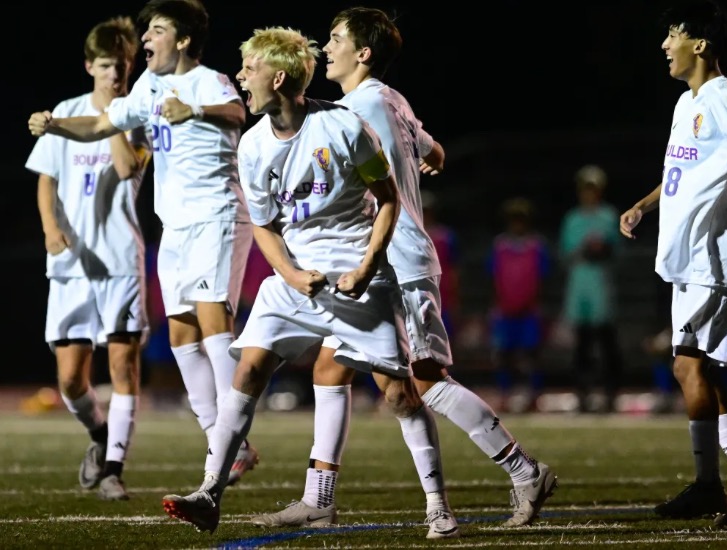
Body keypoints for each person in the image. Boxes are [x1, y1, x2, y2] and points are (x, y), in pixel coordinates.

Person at [251, 8, 557, 535]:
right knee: (339, 372)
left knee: (425, 380)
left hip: (392, 264)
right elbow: (433, 150)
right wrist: (423, 159)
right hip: (378, 265)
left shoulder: (352, 110)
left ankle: (523, 469)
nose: (326, 47)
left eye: (336, 38)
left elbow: (388, 174)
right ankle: (320, 499)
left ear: (363, 53)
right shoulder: (390, 99)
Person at [159, 25, 442, 537]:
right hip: (293, 281)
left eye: (250, 68)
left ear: (280, 76)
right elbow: (265, 227)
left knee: (400, 395)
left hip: (356, 281)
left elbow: (390, 199)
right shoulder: (251, 145)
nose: (242, 77)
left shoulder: (345, 126)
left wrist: (366, 267)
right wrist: (289, 272)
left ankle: (438, 506)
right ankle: (209, 492)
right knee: (247, 371)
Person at [27, 0, 258, 486]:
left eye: (156, 30)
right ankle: (219, 434)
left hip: (215, 214)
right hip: (174, 225)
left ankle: (232, 439)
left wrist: (193, 108)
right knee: (181, 338)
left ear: (184, 40)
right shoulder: (148, 86)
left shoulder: (207, 81)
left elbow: (238, 110)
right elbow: (99, 124)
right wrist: (55, 125)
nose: (146, 38)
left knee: (214, 321)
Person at [619, 0, 727, 527]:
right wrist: (644, 206)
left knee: (691, 364)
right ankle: (719, 480)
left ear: (701, 44)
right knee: (691, 364)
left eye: (673, 34)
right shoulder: (685, 103)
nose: (665, 45)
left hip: (713, 254)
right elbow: (680, 174)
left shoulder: (723, 98)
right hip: (686, 253)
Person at [24, 16, 151, 500]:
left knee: (123, 369)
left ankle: (115, 469)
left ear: (130, 66)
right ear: (88, 66)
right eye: (105, 67)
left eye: (121, 66)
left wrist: (116, 113)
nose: (113, 75)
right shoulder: (68, 110)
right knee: (70, 379)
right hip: (74, 264)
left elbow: (126, 166)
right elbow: (46, 178)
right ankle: (100, 437)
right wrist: (50, 228)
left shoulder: (137, 115)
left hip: (119, 260)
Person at [559, 164, 624, 413]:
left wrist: (603, 249)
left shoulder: (608, 216)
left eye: (593, 189)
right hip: (580, 285)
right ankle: (582, 394)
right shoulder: (573, 218)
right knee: (582, 344)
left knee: (607, 341)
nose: (589, 193)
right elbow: (566, 253)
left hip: (601, 283)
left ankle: (610, 392)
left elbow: (616, 251)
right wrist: (584, 249)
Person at [489, 197, 551, 412]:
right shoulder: (500, 246)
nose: (517, 224)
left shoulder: (536, 246)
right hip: (505, 311)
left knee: (532, 355)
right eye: (513, 219)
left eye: (521, 219)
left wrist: (538, 305)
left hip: (529, 311)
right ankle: (505, 395)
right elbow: (494, 278)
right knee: (503, 355)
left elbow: (542, 279)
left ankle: (534, 396)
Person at [421, 189, 461, 341]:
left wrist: (455, 299)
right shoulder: (408, 234)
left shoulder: (446, 236)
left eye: (427, 210)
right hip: (417, 294)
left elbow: (455, 269)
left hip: (443, 296)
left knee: (446, 340)